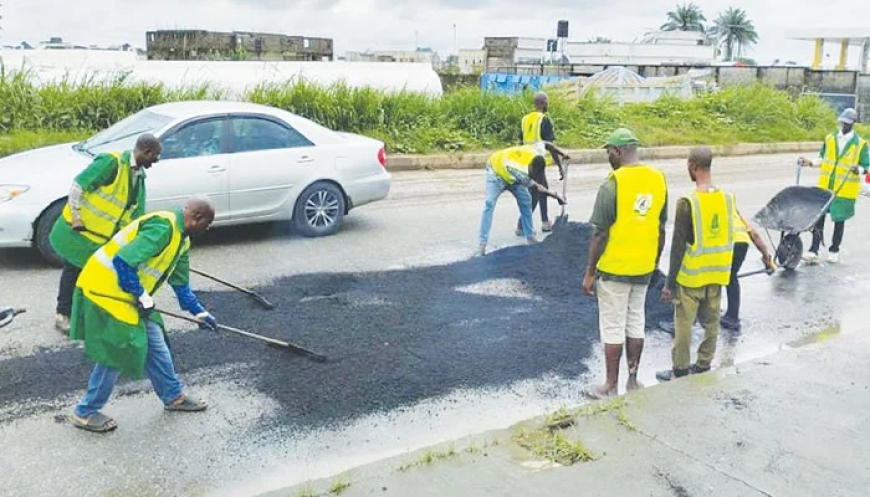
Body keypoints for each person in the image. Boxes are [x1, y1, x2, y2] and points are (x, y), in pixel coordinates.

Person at [68, 196, 218, 433]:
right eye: (207, 224)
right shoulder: (163, 227)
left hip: (127, 294)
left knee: (155, 342)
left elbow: (181, 285)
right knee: (119, 349)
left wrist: (199, 312)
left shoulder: (182, 241)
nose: (208, 229)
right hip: (105, 289)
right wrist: (141, 295)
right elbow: (123, 261)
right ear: (196, 218)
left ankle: (173, 396)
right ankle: (84, 412)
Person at [582, 128, 668, 399]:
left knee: (613, 326)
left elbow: (600, 233)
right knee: (635, 322)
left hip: (615, 270)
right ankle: (633, 380)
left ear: (618, 151)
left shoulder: (613, 184)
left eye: (609, 151)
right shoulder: (658, 179)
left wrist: (589, 272)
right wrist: (654, 262)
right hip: (643, 268)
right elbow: (661, 227)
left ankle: (609, 385)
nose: (608, 156)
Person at [49, 134, 162, 334]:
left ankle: (84, 317)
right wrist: (76, 217)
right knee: (73, 270)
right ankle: (62, 315)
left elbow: (135, 215)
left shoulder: (139, 178)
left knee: (95, 276)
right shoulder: (112, 163)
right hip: (81, 233)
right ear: (146, 151)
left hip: (101, 240)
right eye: (156, 155)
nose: (157, 160)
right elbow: (79, 185)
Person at [657, 147, 736, 382]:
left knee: (683, 324)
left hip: (692, 276)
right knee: (712, 323)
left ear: (692, 166)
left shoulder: (688, 202)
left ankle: (680, 370)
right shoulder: (727, 198)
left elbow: (678, 246)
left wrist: (669, 283)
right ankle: (703, 365)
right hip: (717, 274)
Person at [798, 108, 869, 264]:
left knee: (839, 220)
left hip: (845, 190)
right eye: (842, 122)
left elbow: (867, 166)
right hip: (825, 187)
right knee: (819, 218)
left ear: (853, 124)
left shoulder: (860, 144)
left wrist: (859, 169)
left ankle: (834, 250)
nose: (844, 126)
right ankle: (813, 250)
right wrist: (809, 163)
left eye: (847, 124)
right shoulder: (830, 139)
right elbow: (822, 158)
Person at [477, 142, 567, 256]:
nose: (533, 177)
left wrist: (562, 153)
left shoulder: (537, 152)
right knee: (489, 204)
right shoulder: (521, 172)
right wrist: (555, 195)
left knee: (526, 202)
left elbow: (546, 144)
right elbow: (538, 187)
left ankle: (530, 237)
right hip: (496, 172)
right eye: (532, 175)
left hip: (513, 177)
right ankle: (482, 244)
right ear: (530, 167)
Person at [515, 92, 566, 235]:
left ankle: (545, 221)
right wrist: (560, 166)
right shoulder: (544, 120)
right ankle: (522, 225)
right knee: (537, 192)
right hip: (537, 160)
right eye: (547, 102)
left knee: (542, 189)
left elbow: (520, 141)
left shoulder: (525, 119)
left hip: (525, 160)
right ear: (543, 103)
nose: (548, 104)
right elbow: (550, 146)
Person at [720, 211, 775, 331]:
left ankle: (714, 313)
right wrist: (767, 258)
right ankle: (732, 316)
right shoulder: (736, 215)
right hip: (742, 243)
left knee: (721, 275)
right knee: (731, 277)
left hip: (727, 242)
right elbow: (754, 235)